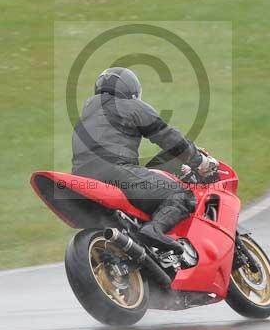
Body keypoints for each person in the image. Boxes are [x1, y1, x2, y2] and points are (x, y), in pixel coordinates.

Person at [72, 67, 215, 253]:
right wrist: (199, 161)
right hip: (115, 173)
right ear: (130, 89)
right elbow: (169, 138)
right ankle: (154, 229)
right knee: (181, 195)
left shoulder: (84, 117)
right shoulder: (130, 106)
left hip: (81, 181)